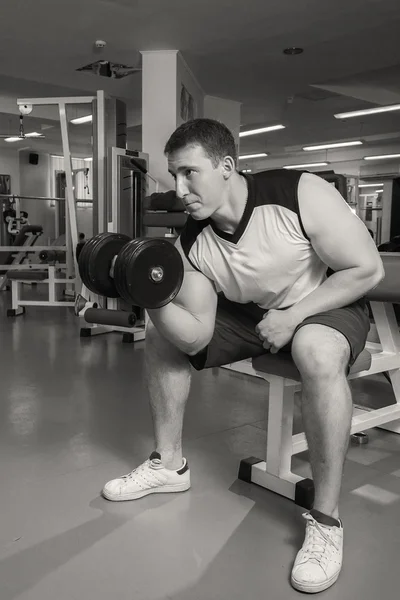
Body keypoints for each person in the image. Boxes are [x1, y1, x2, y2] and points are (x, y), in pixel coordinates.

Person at [102, 119, 384, 593]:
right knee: (160, 332)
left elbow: (366, 268)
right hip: (255, 313)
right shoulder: (193, 243)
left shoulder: (299, 192)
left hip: (327, 300)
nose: (180, 189)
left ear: (227, 167)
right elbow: (195, 337)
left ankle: (326, 521)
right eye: (174, 176)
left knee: (315, 351)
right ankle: (169, 465)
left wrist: (294, 317)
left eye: (190, 173)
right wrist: (146, 295)